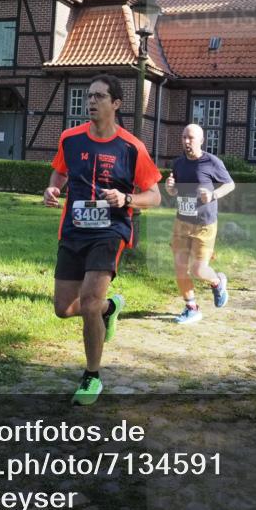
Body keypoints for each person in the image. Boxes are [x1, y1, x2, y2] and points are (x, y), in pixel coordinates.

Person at [44, 74, 162, 405]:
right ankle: (111, 310)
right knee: (64, 309)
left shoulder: (131, 147)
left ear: (116, 104)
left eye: (99, 96)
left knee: (90, 300)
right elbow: (60, 171)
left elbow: (154, 196)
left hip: (110, 231)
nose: (91, 101)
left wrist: (127, 200)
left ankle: (92, 376)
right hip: (74, 230)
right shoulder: (70, 139)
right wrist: (53, 188)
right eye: (89, 95)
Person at [165, 124, 235, 325]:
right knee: (180, 268)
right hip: (182, 222)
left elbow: (230, 184)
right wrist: (171, 189)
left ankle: (217, 281)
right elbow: (176, 191)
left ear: (202, 140)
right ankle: (191, 308)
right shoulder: (178, 164)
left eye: (191, 138)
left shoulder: (212, 162)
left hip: (204, 225)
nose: (187, 142)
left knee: (198, 270)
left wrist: (213, 194)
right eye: (184, 137)